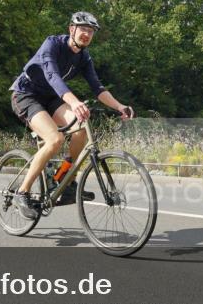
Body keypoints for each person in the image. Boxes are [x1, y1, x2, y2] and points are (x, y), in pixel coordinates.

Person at [9, 12, 133, 219]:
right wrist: (74, 103)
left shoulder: (84, 58)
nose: (87, 34)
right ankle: (22, 192)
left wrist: (120, 106)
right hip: (26, 95)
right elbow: (52, 76)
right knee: (55, 140)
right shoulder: (52, 45)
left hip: (51, 98)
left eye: (91, 31)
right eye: (83, 29)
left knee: (81, 130)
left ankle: (65, 179)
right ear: (71, 29)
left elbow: (98, 88)